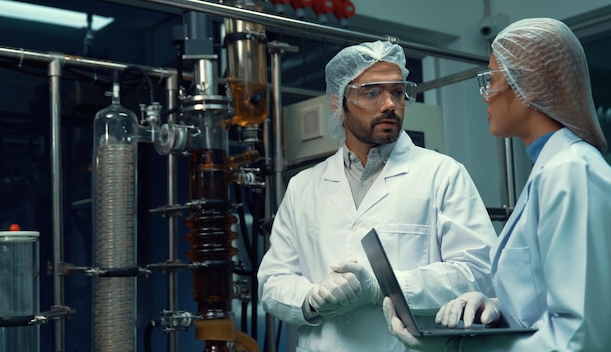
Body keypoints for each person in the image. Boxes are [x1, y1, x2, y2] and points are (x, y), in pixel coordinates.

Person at [384, 18, 611, 352]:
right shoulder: (551, 171)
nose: (486, 95)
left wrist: (462, 348)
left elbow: (580, 338)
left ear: (528, 84)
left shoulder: (573, 172)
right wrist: (495, 307)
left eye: (491, 80)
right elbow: (541, 301)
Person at [257, 40, 497, 352]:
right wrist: (310, 299)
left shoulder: (442, 174)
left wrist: (384, 287)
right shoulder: (304, 186)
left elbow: (478, 272)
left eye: (397, 92)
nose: (389, 105)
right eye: (372, 92)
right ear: (336, 103)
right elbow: (272, 280)